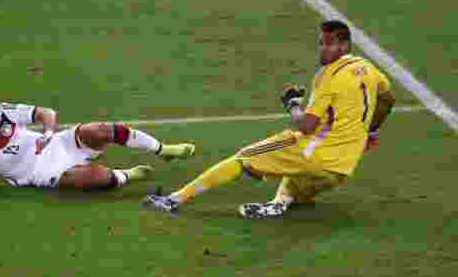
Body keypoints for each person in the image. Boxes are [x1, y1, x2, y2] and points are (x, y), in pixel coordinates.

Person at [143, 20, 396, 218]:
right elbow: (387, 100)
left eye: (328, 44)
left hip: (315, 154)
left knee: (243, 157)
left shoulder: (328, 76)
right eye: (321, 43)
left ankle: (173, 200)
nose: (323, 49)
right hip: (343, 168)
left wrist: (292, 105)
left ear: (343, 46)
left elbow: (307, 125)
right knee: (297, 181)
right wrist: (370, 131)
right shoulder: (369, 69)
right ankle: (279, 204)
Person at [0, 86, 196, 192]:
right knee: (96, 178)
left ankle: (162, 149)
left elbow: (46, 112)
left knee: (100, 129)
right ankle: (126, 175)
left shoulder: (4, 112)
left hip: (55, 144)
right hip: (38, 173)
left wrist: (48, 134)